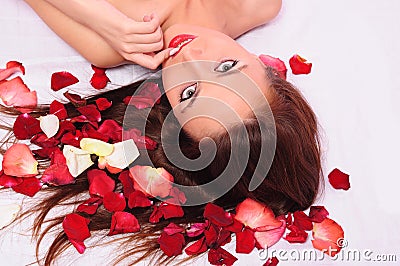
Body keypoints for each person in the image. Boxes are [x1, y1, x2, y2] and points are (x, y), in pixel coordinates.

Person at [2, 0, 321, 265]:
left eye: (189, 94)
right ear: (264, 65)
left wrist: (104, 20)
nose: (192, 57)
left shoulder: (105, 45)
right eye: (225, 67)